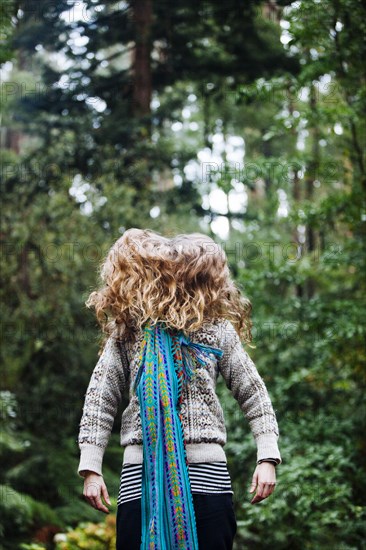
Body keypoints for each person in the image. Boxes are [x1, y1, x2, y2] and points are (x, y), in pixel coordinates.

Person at [77, 228, 282, 550]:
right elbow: (100, 398)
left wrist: (267, 456)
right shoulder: (129, 331)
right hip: (140, 476)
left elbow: (254, 393)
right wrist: (91, 467)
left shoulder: (216, 329)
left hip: (208, 475)